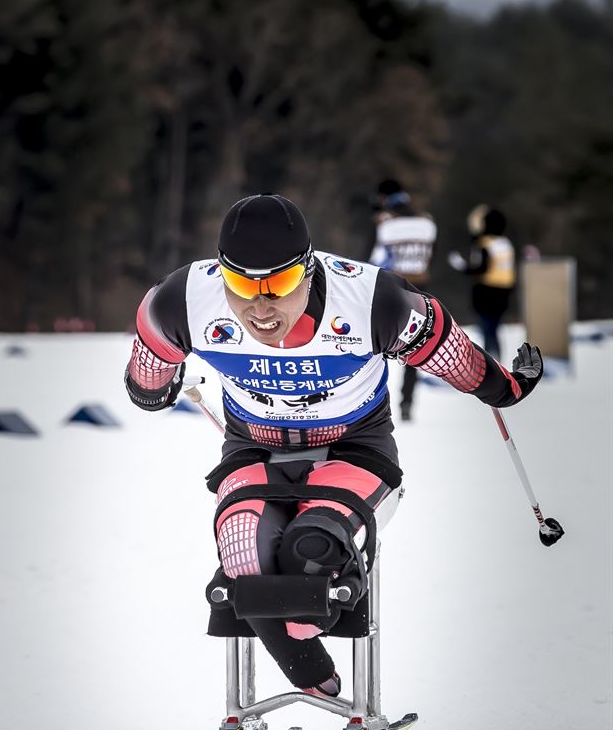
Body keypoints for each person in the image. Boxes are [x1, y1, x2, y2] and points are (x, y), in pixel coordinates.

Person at [124, 193, 542, 698]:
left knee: (313, 547)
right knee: (241, 549)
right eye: (240, 284)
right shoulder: (183, 299)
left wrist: (509, 386)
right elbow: (146, 379)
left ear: (308, 268)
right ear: (221, 272)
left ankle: (312, 653)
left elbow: (454, 357)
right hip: (253, 448)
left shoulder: (372, 300)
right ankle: (312, 677)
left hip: (353, 448)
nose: (261, 305)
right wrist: (155, 385)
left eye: (278, 284)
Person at [369, 179, 437, 421]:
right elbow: (429, 256)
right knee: (416, 347)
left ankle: (374, 407)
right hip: (421, 289)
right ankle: (407, 402)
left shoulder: (387, 225)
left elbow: (378, 262)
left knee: (375, 346)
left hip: (392, 289)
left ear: (384, 199)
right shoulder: (427, 222)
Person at [448, 204, 516, 359]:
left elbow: (481, 269)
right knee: (494, 329)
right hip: (504, 292)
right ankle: (498, 360)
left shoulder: (484, 244)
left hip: (486, 292)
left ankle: (488, 362)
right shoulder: (506, 243)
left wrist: (462, 266)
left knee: (486, 329)